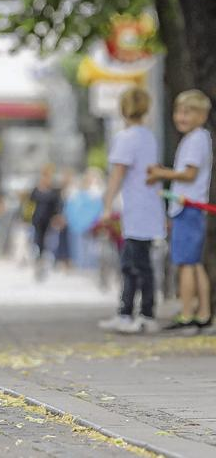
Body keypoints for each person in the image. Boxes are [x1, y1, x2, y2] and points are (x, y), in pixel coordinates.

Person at [97, 88, 165, 334]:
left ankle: (144, 314)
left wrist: (107, 205)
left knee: (136, 264)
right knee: (134, 262)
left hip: (136, 209)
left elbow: (117, 175)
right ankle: (127, 312)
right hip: (149, 207)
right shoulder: (149, 136)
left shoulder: (125, 138)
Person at [147, 89, 213, 331]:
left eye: (187, 112)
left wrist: (160, 173)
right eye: (178, 112)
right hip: (189, 208)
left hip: (189, 207)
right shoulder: (198, 138)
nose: (180, 117)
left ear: (202, 115)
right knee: (195, 264)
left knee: (185, 262)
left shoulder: (196, 139)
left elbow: (189, 173)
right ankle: (203, 312)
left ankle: (187, 313)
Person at [29, 164, 62, 280]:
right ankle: (38, 263)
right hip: (37, 220)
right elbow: (29, 205)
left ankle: (46, 264)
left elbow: (58, 206)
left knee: (49, 244)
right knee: (37, 242)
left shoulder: (54, 191)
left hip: (49, 222)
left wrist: (57, 218)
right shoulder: (36, 190)